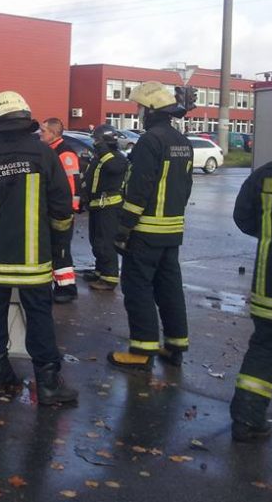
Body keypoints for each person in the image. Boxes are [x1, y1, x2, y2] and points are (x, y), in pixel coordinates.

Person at [0, 91, 77, 406]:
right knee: (39, 317)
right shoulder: (44, 155)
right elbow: (62, 207)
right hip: (35, 259)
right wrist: (60, 245)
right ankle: (48, 384)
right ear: (26, 118)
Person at [107, 81, 193, 371]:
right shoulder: (182, 142)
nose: (139, 112)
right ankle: (175, 345)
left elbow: (138, 188)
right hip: (172, 230)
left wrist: (123, 228)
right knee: (169, 287)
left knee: (138, 287)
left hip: (145, 231)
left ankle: (141, 350)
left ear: (152, 110)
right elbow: (186, 187)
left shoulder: (149, 141)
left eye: (142, 108)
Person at [229, 148, 272, 443]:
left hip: (271, 284)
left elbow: (243, 217)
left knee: (265, 349)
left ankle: (246, 420)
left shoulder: (265, 174)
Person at [80, 124, 129, 291]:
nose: (94, 143)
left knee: (105, 242)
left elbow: (113, 167)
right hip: (97, 206)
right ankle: (100, 271)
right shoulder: (100, 157)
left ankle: (109, 278)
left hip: (109, 207)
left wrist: (102, 149)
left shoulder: (117, 158)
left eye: (96, 140)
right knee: (96, 241)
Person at [39, 118, 81, 303]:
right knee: (54, 249)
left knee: (61, 250)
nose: (41, 135)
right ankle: (57, 285)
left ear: (53, 133)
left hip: (62, 212)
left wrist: (67, 211)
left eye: (43, 132)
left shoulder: (64, 154)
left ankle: (67, 289)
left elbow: (71, 185)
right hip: (54, 210)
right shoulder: (53, 152)